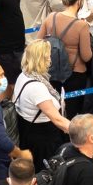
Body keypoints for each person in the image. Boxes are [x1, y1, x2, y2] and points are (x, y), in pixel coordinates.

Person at [13, 39, 70, 171]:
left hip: (29, 132)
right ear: (41, 59)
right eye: (48, 56)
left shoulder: (23, 75)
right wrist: (79, 132)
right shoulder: (37, 87)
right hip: (43, 139)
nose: (50, 60)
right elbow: (57, 119)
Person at [37, 0, 93, 114]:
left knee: (55, 108)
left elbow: (38, 43)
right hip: (75, 73)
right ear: (79, 2)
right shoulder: (81, 26)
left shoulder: (51, 17)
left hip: (52, 70)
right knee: (73, 112)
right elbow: (86, 56)